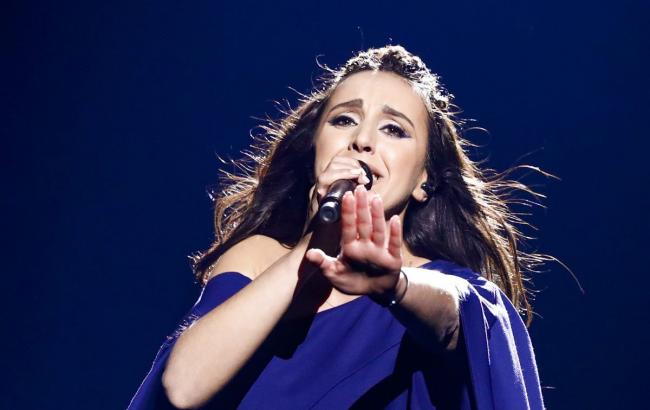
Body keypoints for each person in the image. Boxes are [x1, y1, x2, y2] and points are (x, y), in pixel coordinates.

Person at [128, 45, 553, 409]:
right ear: (316, 148)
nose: (362, 140)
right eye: (344, 120)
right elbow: (183, 388)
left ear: (424, 180)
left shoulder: (446, 289)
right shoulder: (258, 257)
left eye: (393, 129)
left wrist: (394, 287)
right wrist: (310, 247)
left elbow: (460, 319)